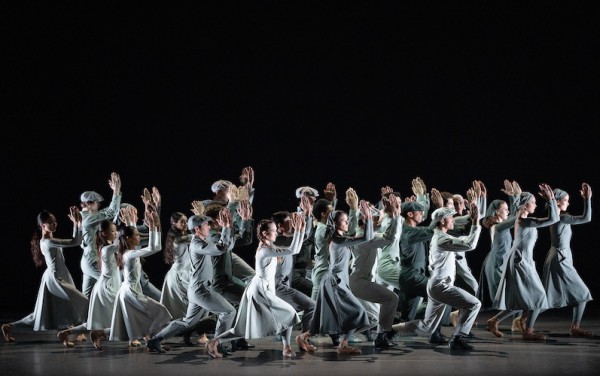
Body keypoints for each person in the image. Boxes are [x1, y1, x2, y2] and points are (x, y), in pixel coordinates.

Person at [206, 213, 308, 358]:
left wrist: (300, 231)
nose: (276, 232)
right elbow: (294, 250)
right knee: (290, 313)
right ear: (265, 233)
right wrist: (299, 230)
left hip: (263, 288)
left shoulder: (269, 246)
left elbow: (292, 249)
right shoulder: (265, 250)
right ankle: (287, 346)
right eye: (273, 230)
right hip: (261, 290)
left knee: (244, 328)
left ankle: (215, 342)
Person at [146, 209, 239, 354]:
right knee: (228, 312)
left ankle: (155, 340)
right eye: (206, 225)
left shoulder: (203, 240)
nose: (209, 226)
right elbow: (221, 248)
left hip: (197, 289)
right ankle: (217, 345)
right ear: (197, 229)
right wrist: (226, 228)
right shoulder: (196, 244)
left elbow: (226, 246)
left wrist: (228, 227)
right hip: (201, 290)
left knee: (187, 321)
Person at [394, 202, 483, 352]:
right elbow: (470, 245)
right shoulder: (440, 238)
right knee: (474, 304)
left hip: (435, 286)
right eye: (451, 218)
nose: (454, 220)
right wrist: (475, 223)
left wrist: (473, 216)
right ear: (442, 221)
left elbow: (463, 234)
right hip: (441, 286)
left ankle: (390, 330)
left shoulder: (442, 235)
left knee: (427, 327)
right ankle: (457, 338)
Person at [2, 207, 88, 346]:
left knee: (45, 314)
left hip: (60, 276)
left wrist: (77, 223)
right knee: (82, 302)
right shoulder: (48, 242)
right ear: (43, 225)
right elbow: (76, 242)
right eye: (51, 222)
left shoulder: (49, 240)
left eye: (55, 221)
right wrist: (77, 223)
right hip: (55, 279)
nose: (55, 224)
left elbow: (75, 241)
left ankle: (10, 326)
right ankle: (71, 333)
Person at [493, 183, 559, 341]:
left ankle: (495, 320)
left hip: (525, 260)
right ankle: (527, 329)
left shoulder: (524, 220)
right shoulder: (524, 221)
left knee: (525, 300)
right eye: (533, 202)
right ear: (524, 205)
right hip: (520, 261)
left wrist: (550, 200)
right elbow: (554, 218)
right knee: (539, 297)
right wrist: (550, 199)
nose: (536, 205)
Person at [309, 199, 376, 354]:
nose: (347, 223)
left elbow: (369, 238)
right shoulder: (338, 240)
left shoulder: (340, 239)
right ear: (336, 223)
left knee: (328, 317)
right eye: (344, 221)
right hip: (334, 282)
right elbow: (366, 238)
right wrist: (368, 217)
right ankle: (343, 345)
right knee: (358, 312)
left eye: (347, 221)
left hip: (338, 281)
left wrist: (367, 219)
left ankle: (305, 336)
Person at [109, 205, 172, 347]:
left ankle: (150, 338)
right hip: (130, 291)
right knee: (160, 311)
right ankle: (153, 339)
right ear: (129, 238)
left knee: (137, 319)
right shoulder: (129, 254)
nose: (139, 237)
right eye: (137, 235)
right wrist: (153, 226)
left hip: (131, 290)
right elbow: (152, 248)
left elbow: (157, 247)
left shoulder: (129, 251)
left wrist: (155, 225)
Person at [56, 219, 122, 349]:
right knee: (121, 315)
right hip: (107, 289)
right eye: (113, 231)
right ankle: (145, 337)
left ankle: (67, 333)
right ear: (103, 233)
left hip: (108, 287)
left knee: (95, 321)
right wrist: (131, 224)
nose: (116, 233)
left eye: (116, 231)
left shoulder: (109, 245)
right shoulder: (107, 249)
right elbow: (125, 243)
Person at [348, 189, 401, 349]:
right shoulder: (362, 239)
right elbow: (389, 237)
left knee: (378, 315)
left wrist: (391, 213)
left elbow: (387, 232)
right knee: (391, 300)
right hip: (359, 283)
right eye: (373, 219)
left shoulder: (367, 235)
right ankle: (379, 337)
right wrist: (394, 216)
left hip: (364, 282)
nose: (378, 221)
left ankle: (344, 334)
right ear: (365, 223)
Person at [542, 183, 593, 337]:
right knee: (582, 293)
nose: (568, 203)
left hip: (558, 257)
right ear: (558, 202)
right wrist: (587, 199)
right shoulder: (562, 218)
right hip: (560, 259)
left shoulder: (555, 217)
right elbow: (586, 218)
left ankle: (521, 320)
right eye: (566, 200)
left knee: (547, 296)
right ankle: (575, 327)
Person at [271, 201, 317, 352]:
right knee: (310, 306)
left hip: (283, 286)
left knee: (289, 315)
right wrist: (307, 218)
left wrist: (307, 216)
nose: (292, 225)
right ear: (278, 227)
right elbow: (303, 237)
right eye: (288, 223)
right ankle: (302, 338)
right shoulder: (279, 241)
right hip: (277, 288)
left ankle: (289, 344)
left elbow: (303, 238)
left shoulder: (285, 240)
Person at [478, 180, 520, 337]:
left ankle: (517, 323)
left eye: (507, 210)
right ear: (496, 212)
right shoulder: (498, 225)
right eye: (505, 210)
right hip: (497, 264)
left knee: (514, 297)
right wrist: (514, 198)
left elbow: (514, 217)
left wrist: (513, 199)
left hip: (500, 263)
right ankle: (496, 320)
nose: (507, 212)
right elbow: (516, 217)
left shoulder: (501, 223)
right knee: (510, 299)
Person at [79, 172, 122, 298]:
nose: (98, 205)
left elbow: (110, 214)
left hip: (87, 260)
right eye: (95, 203)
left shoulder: (84, 217)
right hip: (92, 261)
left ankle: (82, 318)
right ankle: (119, 316)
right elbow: (111, 211)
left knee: (86, 296)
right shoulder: (88, 219)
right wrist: (116, 192)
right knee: (112, 286)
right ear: (87, 204)